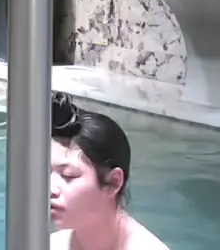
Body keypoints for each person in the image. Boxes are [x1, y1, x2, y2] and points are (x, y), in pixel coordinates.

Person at [49, 92, 169, 250]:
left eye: (68, 176)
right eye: (47, 172)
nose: (50, 188)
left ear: (113, 182)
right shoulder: (50, 244)